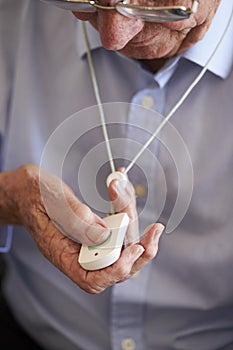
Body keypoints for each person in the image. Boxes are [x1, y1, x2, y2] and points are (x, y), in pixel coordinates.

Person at [0, 0, 232, 348]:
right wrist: (10, 198)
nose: (113, 37)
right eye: (86, 2)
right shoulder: (15, 17)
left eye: (157, 7)